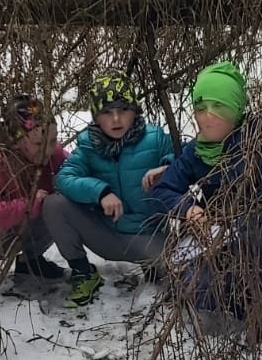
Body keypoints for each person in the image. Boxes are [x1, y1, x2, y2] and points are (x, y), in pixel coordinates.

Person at [150, 61, 262, 336]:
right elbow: (163, 190)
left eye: (219, 107)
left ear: (236, 111)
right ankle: (231, 308)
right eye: (201, 108)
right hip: (212, 237)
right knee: (193, 282)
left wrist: (231, 227)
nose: (208, 117)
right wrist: (189, 210)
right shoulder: (198, 150)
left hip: (260, 238)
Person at [43, 72, 174, 307]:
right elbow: (63, 178)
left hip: (150, 238)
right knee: (54, 204)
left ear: (135, 111)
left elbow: (181, 163)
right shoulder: (89, 144)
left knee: (176, 277)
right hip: (107, 234)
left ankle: (155, 268)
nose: (116, 119)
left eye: (123, 110)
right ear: (96, 117)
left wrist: (167, 169)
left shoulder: (155, 139)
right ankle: (84, 273)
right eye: (106, 112)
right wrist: (100, 192)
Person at [0, 95, 67, 290]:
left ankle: (30, 261)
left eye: (52, 141)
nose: (47, 150)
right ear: (16, 142)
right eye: (39, 144)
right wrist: (28, 205)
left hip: (17, 224)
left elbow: (76, 172)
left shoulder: (54, 155)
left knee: (57, 204)